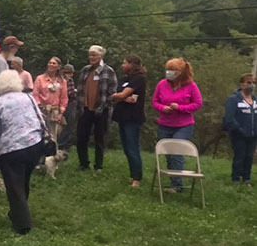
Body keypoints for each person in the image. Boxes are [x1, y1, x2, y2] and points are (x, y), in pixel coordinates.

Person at [0, 70, 46, 234]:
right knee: (23, 181)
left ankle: (22, 225)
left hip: (11, 150)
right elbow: (41, 120)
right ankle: (17, 213)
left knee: (14, 187)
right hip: (34, 145)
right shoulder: (28, 97)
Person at [152, 57, 202, 192]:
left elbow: (197, 104)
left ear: (180, 72)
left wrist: (180, 108)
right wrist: (163, 108)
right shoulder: (162, 84)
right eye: (168, 70)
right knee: (168, 153)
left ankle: (178, 185)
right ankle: (172, 181)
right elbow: (155, 101)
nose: (169, 72)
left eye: (172, 70)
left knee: (176, 151)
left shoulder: (191, 86)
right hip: (165, 123)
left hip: (183, 124)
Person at [76, 45, 117, 172]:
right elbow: (80, 89)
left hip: (101, 110)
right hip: (85, 108)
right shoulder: (85, 70)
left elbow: (113, 91)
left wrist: (106, 104)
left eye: (94, 55)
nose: (92, 57)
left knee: (99, 139)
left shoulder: (108, 71)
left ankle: (98, 166)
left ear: (101, 56)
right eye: (90, 55)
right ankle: (84, 164)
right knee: (81, 138)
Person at [111, 55, 147, 187]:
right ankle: (132, 174)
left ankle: (137, 177)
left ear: (132, 65)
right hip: (122, 116)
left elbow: (121, 94)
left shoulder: (139, 79)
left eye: (125, 63)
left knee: (132, 148)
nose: (122, 65)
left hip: (133, 118)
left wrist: (119, 96)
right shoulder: (124, 79)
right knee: (126, 148)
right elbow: (115, 94)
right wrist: (119, 96)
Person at [224, 73, 257, 186]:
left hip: (253, 135)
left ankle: (246, 179)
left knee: (249, 158)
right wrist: (239, 130)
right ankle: (236, 179)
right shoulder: (234, 99)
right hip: (239, 135)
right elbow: (229, 118)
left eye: (253, 82)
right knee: (240, 157)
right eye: (249, 82)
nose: (252, 85)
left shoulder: (255, 100)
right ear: (242, 84)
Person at [33, 57, 68, 141]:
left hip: (54, 111)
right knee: (40, 134)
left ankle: (52, 153)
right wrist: (39, 106)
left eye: (54, 63)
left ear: (58, 67)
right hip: (42, 110)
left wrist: (61, 112)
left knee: (52, 136)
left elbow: (64, 98)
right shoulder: (40, 79)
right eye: (50, 63)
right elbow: (35, 94)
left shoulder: (62, 81)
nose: (51, 65)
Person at [58, 63, 77, 150]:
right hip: (69, 104)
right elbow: (71, 94)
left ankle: (60, 144)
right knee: (69, 125)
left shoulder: (57, 80)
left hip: (59, 104)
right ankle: (63, 145)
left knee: (61, 125)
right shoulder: (69, 80)